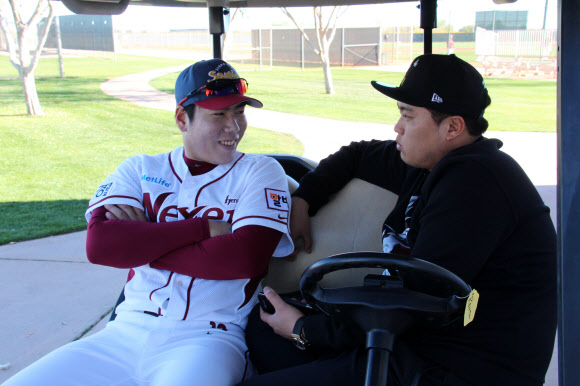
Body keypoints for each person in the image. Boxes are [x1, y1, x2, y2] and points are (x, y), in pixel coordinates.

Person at [240, 54, 556, 386]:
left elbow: (418, 301)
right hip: (409, 346)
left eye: (408, 115)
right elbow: (357, 154)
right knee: (261, 328)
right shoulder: (427, 163)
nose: (397, 127)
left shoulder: (478, 183)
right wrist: (304, 198)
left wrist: (305, 330)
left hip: (456, 368)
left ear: (452, 127)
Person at [3, 59, 293, 386]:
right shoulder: (139, 169)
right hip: (123, 334)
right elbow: (101, 246)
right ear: (183, 119)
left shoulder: (261, 171)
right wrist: (203, 229)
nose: (234, 127)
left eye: (239, 112)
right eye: (219, 115)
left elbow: (244, 258)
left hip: (208, 336)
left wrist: (142, 243)